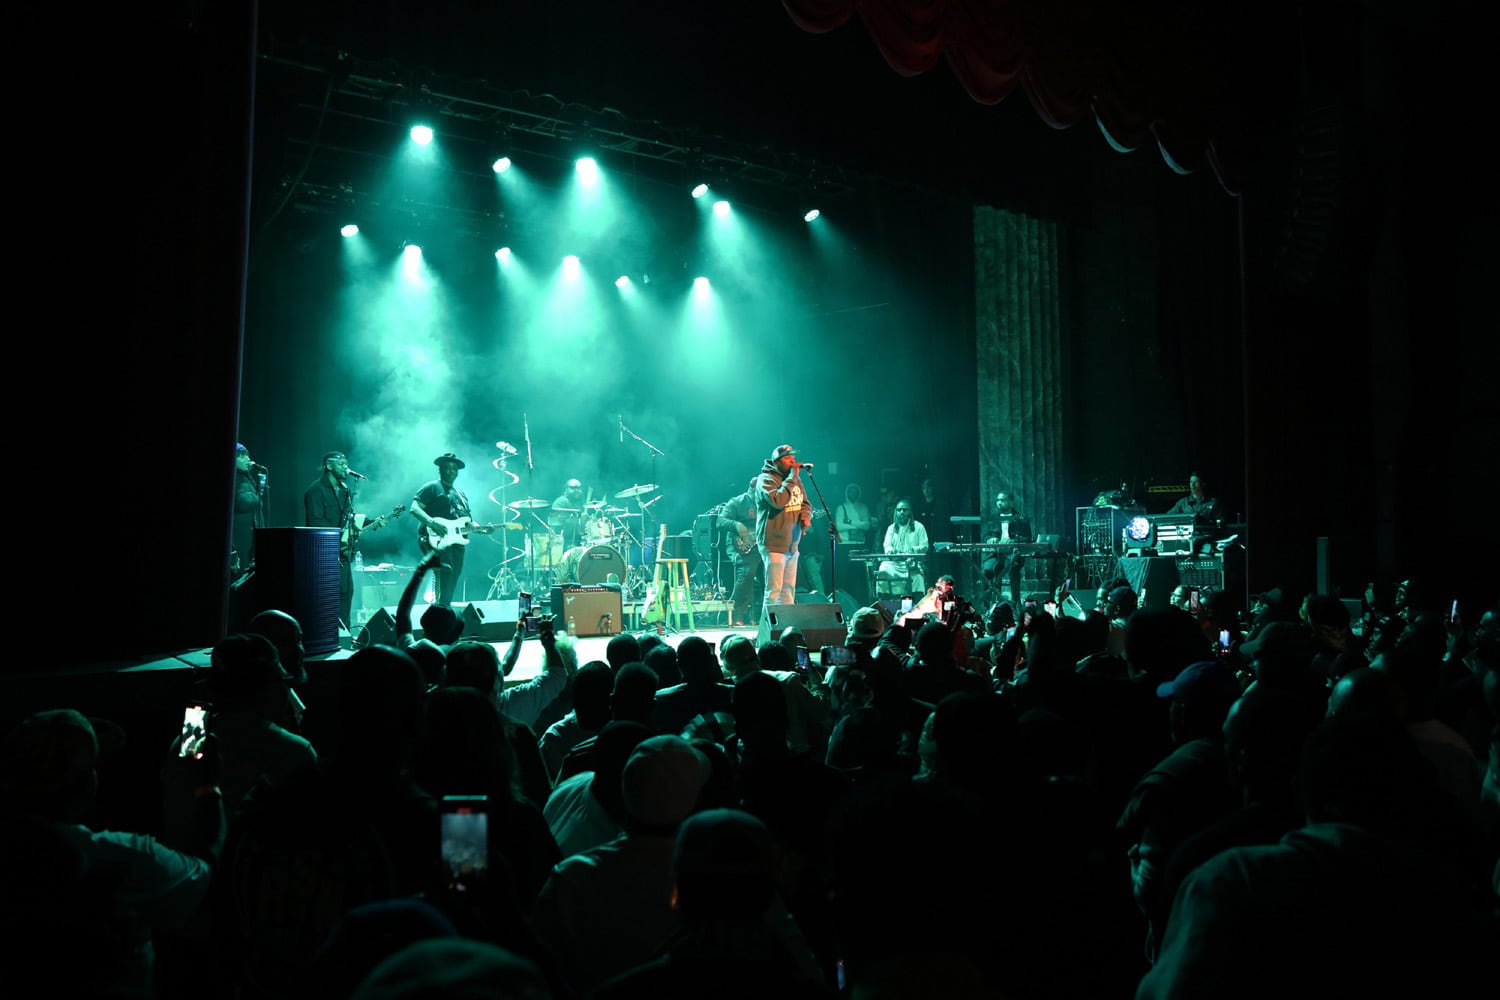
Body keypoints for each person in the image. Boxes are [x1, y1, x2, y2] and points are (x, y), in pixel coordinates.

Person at [409, 453, 472, 607]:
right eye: (447, 468)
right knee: (445, 570)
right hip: (434, 537)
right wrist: (432, 523)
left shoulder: (461, 495)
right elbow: (414, 508)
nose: (450, 471)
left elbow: (467, 520)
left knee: (455, 573)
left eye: (454, 468)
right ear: (440, 470)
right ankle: (439, 610)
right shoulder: (432, 487)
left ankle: (444, 607)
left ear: (458, 472)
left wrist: (483, 529)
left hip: (456, 541)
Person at [304, 450, 358, 628]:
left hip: (343, 553)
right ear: (328, 465)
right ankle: (326, 632)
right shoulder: (315, 490)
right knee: (328, 595)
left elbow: (348, 517)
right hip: (324, 553)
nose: (346, 467)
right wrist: (337, 538)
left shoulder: (345, 491)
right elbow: (316, 522)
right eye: (342, 464)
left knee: (347, 592)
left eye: (346, 463)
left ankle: (345, 634)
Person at [756, 445, 813, 608]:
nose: (793, 461)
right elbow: (778, 501)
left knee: (788, 591)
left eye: (793, 457)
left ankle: (785, 627)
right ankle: (768, 630)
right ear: (777, 462)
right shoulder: (765, 480)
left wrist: (805, 517)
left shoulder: (794, 479)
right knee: (774, 592)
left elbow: (805, 503)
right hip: (773, 544)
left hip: (792, 544)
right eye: (787, 458)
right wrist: (792, 477)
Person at [716, 482, 763, 627]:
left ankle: (767, 614)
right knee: (746, 572)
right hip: (740, 546)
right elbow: (720, 521)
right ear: (752, 490)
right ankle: (738, 615)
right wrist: (737, 525)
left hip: (762, 544)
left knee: (773, 573)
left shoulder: (767, 503)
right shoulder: (737, 502)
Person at [877, 499, 928, 598]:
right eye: (899, 510)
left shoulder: (919, 527)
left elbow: (925, 546)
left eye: (905, 510)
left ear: (910, 512)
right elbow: (887, 546)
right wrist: (891, 550)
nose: (902, 512)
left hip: (911, 563)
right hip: (894, 564)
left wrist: (912, 550)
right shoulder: (891, 528)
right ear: (895, 512)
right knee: (883, 569)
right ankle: (885, 601)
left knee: (917, 577)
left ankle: (916, 603)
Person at [834, 483, 875, 603]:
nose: (852, 493)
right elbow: (838, 526)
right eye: (850, 491)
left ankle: (859, 600)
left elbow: (867, 526)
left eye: (855, 491)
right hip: (844, 545)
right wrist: (858, 525)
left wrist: (850, 521)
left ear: (859, 493)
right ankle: (843, 601)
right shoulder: (841, 508)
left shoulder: (863, 507)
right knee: (844, 575)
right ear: (846, 492)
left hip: (859, 545)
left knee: (857, 576)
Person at [232, 443, 266, 576]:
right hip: (238, 545)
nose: (248, 459)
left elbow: (259, 512)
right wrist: (231, 549)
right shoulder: (231, 481)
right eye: (242, 456)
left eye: (247, 456)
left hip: (253, 545)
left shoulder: (249, 480)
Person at [549, 478, 588, 550]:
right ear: (565, 490)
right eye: (573, 488)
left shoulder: (580, 503)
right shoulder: (560, 502)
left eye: (579, 488)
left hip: (577, 540)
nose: (576, 490)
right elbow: (557, 524)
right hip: (564, 541)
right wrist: (580, 521)